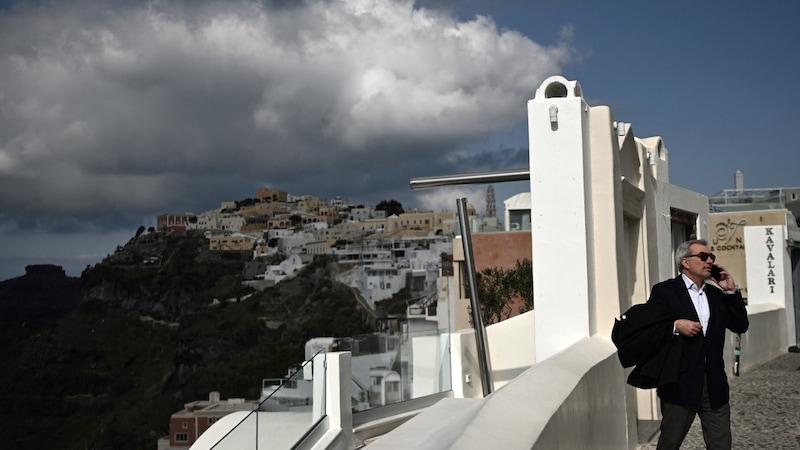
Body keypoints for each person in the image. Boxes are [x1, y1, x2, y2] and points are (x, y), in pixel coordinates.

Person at [647, 239, 749, 450]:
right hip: (679, 383)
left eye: (712, 257)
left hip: (714, 384)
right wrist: (675, 325)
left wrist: (730, 292)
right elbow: (650, 328)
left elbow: (740, 325)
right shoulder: (665, 291)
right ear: (685, 262)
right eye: (703, 256)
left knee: (721, 445)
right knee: (669, 444)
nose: (710, 260)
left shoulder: (716, 295)